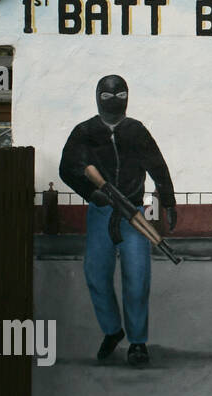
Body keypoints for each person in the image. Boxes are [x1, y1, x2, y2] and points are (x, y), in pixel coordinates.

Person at [59, 74, 177, 367]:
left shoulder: (137, 131)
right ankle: (113, 331)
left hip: (133, 213)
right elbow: (66, 169)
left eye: (120, 94)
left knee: (137, 279)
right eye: (108, 95)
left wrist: (169, 202)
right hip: (101, 213)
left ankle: (138, 343)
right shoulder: (84, 131)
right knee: (96, 275)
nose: (114, 100)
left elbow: (158, 168)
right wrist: (92, 193)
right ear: (97, 96)